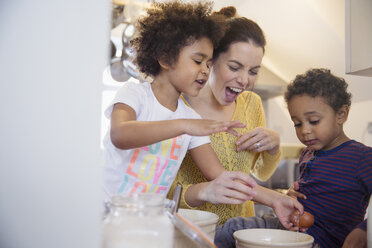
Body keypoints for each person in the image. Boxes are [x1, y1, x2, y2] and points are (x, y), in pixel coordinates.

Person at [102, 0, 258, 198]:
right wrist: (184, 125)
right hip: (106, 214)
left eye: (209, 64)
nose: (205, 70)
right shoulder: (134, 94)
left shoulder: (190, 119)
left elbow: (219, 175)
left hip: (150, 219)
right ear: (166, 59)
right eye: (198, 61)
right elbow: (120, 136)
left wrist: (276, 199)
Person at [167, 5, 303, 232]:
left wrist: (273, 145)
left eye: (253, 71)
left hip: (242, 232)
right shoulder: (179, 107)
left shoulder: (252, 104)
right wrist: (204, 190)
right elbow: (164, 194)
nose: (244, 80)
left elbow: (260, 173)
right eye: (234, 67)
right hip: (191, 233)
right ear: (211, 61)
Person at [216, 68, 372, 248]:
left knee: (233, 229)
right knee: (233, 230)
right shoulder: (307, 153)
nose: (304, 130)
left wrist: (364, 229)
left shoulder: (362, 157)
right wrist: (290, 196)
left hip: (325, 242)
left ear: (341, 114)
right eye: (297, 123)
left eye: (313, 121)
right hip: (290, 233)